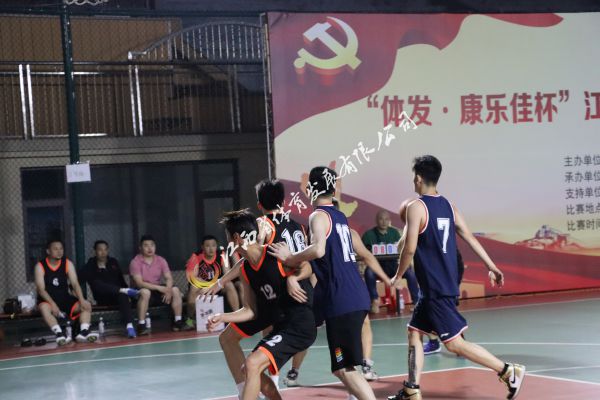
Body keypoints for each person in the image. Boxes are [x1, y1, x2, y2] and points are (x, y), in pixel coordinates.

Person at [387, 155, 525, 400]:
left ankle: (507, 371)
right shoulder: (449, 207)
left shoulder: (416, 207)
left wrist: (398, 275)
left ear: (418, 178)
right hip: (439, 285)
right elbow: (469, 237)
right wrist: (492, 266)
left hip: (435, 287)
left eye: (413, 177)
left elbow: (408, 249)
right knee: (414, 332)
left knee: (454, 344)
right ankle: (411, 389)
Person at [269, 166, 380, 400]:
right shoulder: (340, 217)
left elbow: (318, 250)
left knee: (343, 368)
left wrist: (290, 258)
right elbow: (322, 259)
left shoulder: (317, 216)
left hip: (342, 299)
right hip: (352, 295)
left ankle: (280, 370)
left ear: (311, 188)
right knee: (343, 366)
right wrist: (296, 275)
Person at [204, 179, 312, 399]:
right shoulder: (247, 267)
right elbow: (250, 309)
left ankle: (260, 382)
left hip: (295, 316)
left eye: (228, 238)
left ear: (236, 238)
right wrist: (222, 316)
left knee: (253, 364)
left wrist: (294, 278)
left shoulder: (269, 242)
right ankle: (251, 389)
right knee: (248, 364)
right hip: (276, 310)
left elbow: (307, 265)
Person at [34, 239, 98, 345]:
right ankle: (60, 334)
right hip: (48, 300)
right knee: (44, 308)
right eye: (55, 249)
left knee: (86, 305)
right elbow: (41, 289)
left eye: (61, 248)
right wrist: (53, 304)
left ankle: (83, 332)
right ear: (48, 251)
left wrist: (82, 300)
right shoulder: (40, 266)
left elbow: (75, 284)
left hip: (64, 298)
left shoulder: (67, 263)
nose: (59, 251)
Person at [129, 235, 189, 333]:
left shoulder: (161, 260)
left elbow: (169, 278)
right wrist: (159, 288)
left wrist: (168, 290)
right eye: (146, 245)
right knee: (145, 292)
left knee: (175, 290)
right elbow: (139, 283)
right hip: (140, 291)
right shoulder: (135, 262)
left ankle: (178, 321)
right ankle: (141, 325)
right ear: (140, 248)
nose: (149, 248)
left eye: (152, 245)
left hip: (156, 290)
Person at [362, 210, 419, 313]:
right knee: (369, 272)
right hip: (378, 266)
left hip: (393, 265)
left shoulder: (395, 233)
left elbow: (401, 250)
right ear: (376, 220)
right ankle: (374, 300)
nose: (384, 222)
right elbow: (363, 252)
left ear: (389, 221)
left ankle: (416, 302)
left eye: (386, 219)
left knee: (409, 272)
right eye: (381, 219)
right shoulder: (368, 235)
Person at [84, 240, 139, 338]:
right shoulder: (91, 264)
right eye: (100, 250)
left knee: (123, 295)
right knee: (98, 283)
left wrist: (129, 294)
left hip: (118, 296)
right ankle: (123, 291)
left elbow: (121, 281)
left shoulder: (113, 262)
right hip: (102, 298)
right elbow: (94, 284)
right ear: (95, 251)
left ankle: (130, 327)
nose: (103, 252)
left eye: (105, 249)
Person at [184, 235, 239, 329]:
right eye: (207, 246)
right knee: (193, 288)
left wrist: (214, 284)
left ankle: (237, 316)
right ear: (202, 247)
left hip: (218, 285)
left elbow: (228, 274)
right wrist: (207, 285)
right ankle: (190, 319)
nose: (211, 248)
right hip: (202, 287)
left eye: (213, 245)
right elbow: (193, 278)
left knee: (229, 284)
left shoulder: (223, 255)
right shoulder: (196, 256)